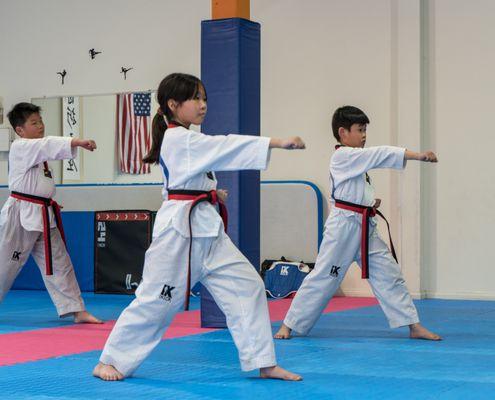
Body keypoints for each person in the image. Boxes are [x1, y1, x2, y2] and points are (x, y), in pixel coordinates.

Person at [93, 73, 305, 382]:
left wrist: (210, 192)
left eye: (205, 98)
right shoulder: (178, 136)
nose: (203, 105)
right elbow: (224, 146)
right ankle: (109, 361)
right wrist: (277, 142)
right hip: (179, 233)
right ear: (173, 104)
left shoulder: (186, 138)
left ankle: (263, 362)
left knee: (248, 286)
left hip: (207, 229)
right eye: (196, 98)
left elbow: (184, 178)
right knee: (157, 300)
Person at [275, 105, 441, 341]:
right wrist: (417, 155)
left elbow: (350, 191)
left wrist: (370, 201)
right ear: (343, 133)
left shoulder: (356, 162)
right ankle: (288, 325)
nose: (364, 135)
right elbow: (379, 154)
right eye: (360, 130)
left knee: (388, 273)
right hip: (343, 229)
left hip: (364, 226)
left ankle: (413, 325)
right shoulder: (343, 156)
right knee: (324, 277)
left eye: (365, 130)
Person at [0, 102, 102, 324]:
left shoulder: (38, 152)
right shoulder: (21, 147)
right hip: (20, 215)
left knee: (59, 262)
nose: (40, 126)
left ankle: (77, 310)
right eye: (34, 123)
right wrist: (76, 141)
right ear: (19, 130)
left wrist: (45, 201)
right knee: (4, 263)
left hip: (43, 214)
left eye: (41, 121)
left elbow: (38, 181)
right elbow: (47, 145)